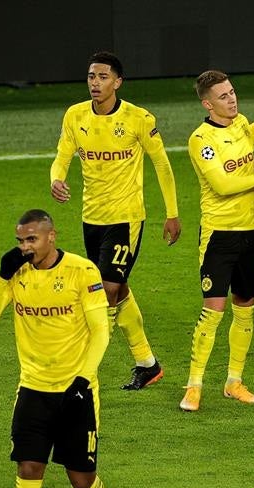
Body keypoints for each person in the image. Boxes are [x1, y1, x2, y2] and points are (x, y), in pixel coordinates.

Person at [0, 209, 113, 488]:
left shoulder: (82, 272)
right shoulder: (16, 272)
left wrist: (84, 379)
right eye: (20, 240)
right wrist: (2, 276)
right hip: (33, 389)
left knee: (81, 480)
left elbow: (101, 331)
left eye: (31, 239)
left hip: (76, 390)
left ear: (51, 236)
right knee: (28, 471)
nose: (25, 247)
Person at [50, 50, 181, 391]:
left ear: (118, 82)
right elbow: (63, 154)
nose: (95, 83)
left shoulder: (139, 119)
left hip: (127, 217)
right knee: (119, 288)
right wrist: (56, 178)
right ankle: (147, 363)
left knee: (105, 290)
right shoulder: (75, 115)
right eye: (92, 76)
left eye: (103, 77)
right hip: (91, 217)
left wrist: (172, 213)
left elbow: (163, 166)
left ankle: (83, 370)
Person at [179, 70, 254, 412]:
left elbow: (250, 136)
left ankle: (234, 381)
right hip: (219, 234)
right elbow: (222, 185)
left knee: (246, 305)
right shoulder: (201, 140)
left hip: (252, 231)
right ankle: (194, 385)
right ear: (208, 104)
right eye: (223, 96)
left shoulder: (240, 124)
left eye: (233, 92)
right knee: (213, 311)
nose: (232, 99)